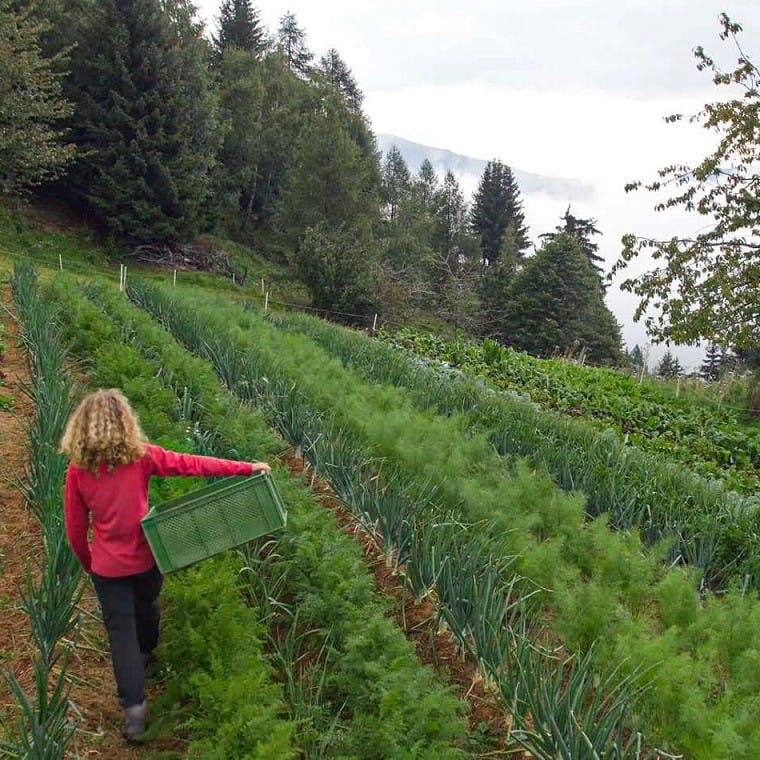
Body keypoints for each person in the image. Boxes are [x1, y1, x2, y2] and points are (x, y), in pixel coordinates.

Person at [60, 388, 271, 741]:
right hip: (146, 559)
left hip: (108, 568)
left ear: (82, 428)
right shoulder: (142, 457)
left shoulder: (79, 471)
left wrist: (89, 562)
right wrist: (246, 468)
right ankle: (147, 654)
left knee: (120, 633)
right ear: (126, 423)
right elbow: (192, 464)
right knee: (148, 609)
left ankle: (134, 712)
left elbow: (75, 528)